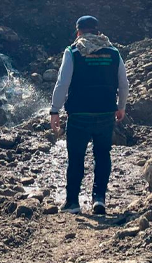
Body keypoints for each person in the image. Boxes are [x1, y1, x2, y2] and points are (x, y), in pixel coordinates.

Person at [50, 15, 129, 215]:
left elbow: (62, 84)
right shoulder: (113, 52)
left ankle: (72, 203)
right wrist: (121, 107)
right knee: (102, 155)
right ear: (97, 32)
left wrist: (54, 110)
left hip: (79, 113)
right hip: (105, 112)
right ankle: (99, 199)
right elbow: (123, 83)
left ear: (78, 32)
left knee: (76, 158)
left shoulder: (73, 51)